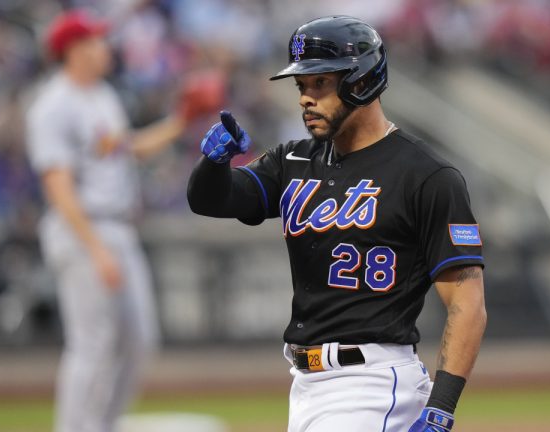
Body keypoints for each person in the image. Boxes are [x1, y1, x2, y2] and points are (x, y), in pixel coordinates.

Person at [187, 15, 487, 432]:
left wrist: (440, 410)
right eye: (301, 86)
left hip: (375, 383)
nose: (305, 98)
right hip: (307, 384)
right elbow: (211, 200)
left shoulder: (426, 175)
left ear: (361, 81)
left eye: (320, 83)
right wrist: (213, 165)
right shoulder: (292, 160)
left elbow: (466, 302)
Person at [25, 10, 215, 432]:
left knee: (139, 342)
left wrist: (180, 122)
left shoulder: (101, 95)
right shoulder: (53, 105)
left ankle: (103, 425)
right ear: (72, 51)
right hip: (83, 228)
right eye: (93, 41)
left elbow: (128, 148)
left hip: (118, 228)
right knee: (91, 346)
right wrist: (95, 249)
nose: (102, 46)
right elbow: (58, 187)